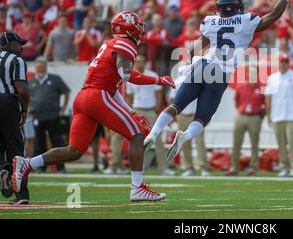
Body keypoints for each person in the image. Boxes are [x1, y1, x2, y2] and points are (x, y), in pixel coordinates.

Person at [12, 11, 175, 202]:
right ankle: (137, 187)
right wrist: (158, 80)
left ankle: (28, 164)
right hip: (97, 96)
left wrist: (130, 111)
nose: (141, 29)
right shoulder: (125, 43)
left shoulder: (108, 44)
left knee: (74, 150)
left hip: (83, 97)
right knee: (138, 134)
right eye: (138, 25)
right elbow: (127, 75)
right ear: (129, 27)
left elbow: (115, 86)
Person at [145, 0, 293, 161]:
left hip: (203, 65)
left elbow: (197, 46)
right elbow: (274, 15)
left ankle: (153, 132)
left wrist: (188, 64)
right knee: (201, 119)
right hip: (220, 74)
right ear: (237, 7)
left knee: (175, 106)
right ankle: (185, 136)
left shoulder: (210, 22)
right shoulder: (247, 21)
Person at [126, 55, 175, 176]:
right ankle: (136, 168)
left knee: (157, 139)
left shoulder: (152, 75)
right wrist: (130, 111)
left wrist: (156, 110)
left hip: (150, 110)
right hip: (137, 109)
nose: (139, 64)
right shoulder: (131, 77)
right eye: (137, 62)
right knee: (136, 139)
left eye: (141, 61)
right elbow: (129, 97)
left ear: (145, 63)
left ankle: (164, 168)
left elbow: (159, 95)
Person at [265, 54, 293, 177]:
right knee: (281, 143)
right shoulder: (272, 78)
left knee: (291, 141)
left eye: (286, 61)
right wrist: (268, 115)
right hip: (276, 115)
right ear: (278, 63)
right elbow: (268, 97)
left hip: (291, 115)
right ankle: (284, 167)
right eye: (281, 61)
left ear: (288, 63)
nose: (283, 63)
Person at [0, 31, 29, 204]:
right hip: (7, 103)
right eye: (19, 43)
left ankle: (2, 169)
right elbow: (22, 90)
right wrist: (24, 109)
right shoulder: (16, 60)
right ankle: (21, 195)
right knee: (16, 150)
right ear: (9, 44)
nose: (22, 47)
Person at [28, 57, 71, 173]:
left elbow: (66, 91)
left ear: (46, 66)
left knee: (57, 141)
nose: (40, 67)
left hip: (53, 115)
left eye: (42, 65)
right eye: (38, 65)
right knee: (39, 143)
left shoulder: (55, 79)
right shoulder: (31, 81)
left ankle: (61, 167)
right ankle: (41, 167)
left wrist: (63, 107)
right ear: (35, 67)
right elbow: (26, 97)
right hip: (37, 116)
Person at [169, 62, 209, 177]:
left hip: (196, 114)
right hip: (182, 114)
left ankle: (203, 167)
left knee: (200, 141)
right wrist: (173, 115)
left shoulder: (199, 81)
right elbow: (172, 100)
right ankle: (189, 167)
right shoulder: (177, 82)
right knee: (184, 142)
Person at [227, 65, 265, 176]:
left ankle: (253, 167)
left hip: (255, 116)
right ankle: (234, 167)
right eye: (251, 72)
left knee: (255, 143)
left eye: (254, 73)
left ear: (257, 75)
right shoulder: (240, 86)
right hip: (241, 115)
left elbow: (265, 103)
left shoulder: (261, 87)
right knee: (236, 143)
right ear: (247, 74)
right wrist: (241, 110)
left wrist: (260, 116)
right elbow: (237, 101)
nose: (252, 75)